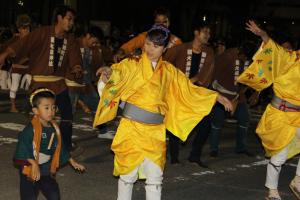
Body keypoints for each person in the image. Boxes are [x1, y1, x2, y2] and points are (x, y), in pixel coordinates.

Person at [94, 24, 233, 200]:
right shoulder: (132, 63)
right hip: (132, 129)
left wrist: (216, 97)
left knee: (155, 178)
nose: (150, 49)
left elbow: (189, 89)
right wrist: (108, 71)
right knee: (127, 176)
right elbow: (118, 72)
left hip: (155, 132)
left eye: (156, 46)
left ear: (165, 48)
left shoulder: (169, 71)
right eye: (148, 44)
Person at [0, 5, 82, 153]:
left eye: (72, 20)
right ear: (59, 18)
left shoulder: (70, 40)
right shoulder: (42, 33)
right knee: (40, 118)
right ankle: (35, 146)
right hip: (40, 84)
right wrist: (5, 54)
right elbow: (23, 43)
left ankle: (65, 146)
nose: (71, 23)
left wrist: (76, 67)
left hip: (59, 84)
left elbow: (75, 58)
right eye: (69, 19)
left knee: (67, 115)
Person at [237, 20, 300, 200]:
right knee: (279, 157)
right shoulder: (287, 57)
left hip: (298, 116)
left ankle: (298, 181)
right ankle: (272, 191)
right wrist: (262, 34)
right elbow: (271, 46)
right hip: (280, 114)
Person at [14, 88, 85, 200]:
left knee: (53, 194)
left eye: (53, 107)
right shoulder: (30, 130)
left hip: (46, 167)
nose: (51, 111)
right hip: (30, 167)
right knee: (29, 195)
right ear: (36, 110)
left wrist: (72, 161)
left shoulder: (54, 128)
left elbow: (59, 147)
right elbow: (23, 147)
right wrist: (34, 164)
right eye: (46, 108)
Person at [164, 21, 215, 167]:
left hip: (197, 93)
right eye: (205, 32)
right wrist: (176, 81)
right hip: (179, 92)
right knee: (176, 122)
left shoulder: (209, 52)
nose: (208, 35)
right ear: (196, 32)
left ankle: (195, 156)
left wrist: (196, 80)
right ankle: (174, 157)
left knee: (205, 126)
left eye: (209, 33)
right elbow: (165, 64)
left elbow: (207, 73)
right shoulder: (180, 48)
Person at [209, 39, 256, 158]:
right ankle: (213, 149)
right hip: (222, 95)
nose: (246, 60)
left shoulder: (250, 60)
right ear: (241, 53)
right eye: (245, 57)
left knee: (244, 118)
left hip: (239, 96)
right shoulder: (227, 56)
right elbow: (212, 74)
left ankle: (241, 147)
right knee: (217, 121)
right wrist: (214, 93)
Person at [113, 6, 182, 62]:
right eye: (158, 22)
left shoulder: (176, 42)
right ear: (154, 23)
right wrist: (120, 52)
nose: (161, 25)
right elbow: (127, 47)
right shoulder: (145, 36)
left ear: (169, 22)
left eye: (164, 22)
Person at [9, 14, 31, 112]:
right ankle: (13, 106)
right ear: (19, 29)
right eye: (24, 28)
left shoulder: (32, 39)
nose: (26, 30)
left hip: (28, 67)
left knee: (33, 85)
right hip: (17, 66)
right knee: (14, 87)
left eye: (28, 28)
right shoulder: (14, 40)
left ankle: (31, 105)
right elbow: (6, 51)